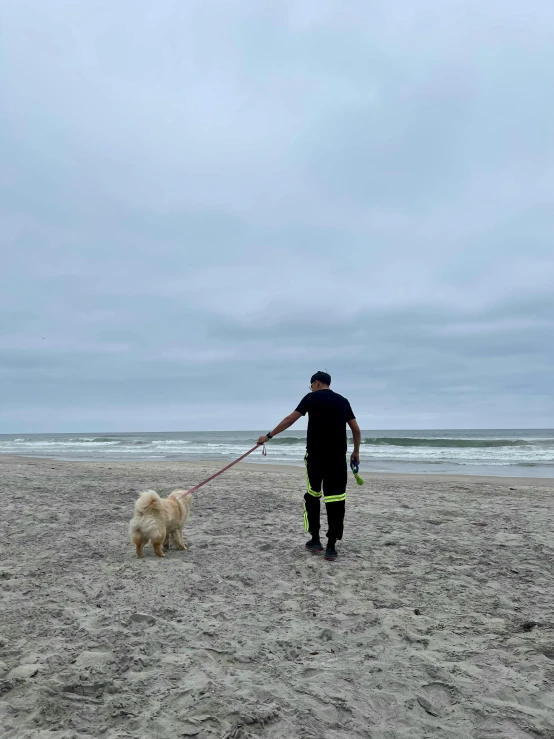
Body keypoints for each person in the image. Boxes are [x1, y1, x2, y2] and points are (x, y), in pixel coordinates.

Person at [258, 371, 361, 561]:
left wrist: (268, 436)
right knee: (336, 500)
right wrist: (355, 453)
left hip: (315, 458)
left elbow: (290, 419)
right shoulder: (343, 401)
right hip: (337, 459)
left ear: (316, 383)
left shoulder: (311, 398)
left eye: (311, 385)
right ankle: (331, 547)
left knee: (313, 496)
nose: (311, 388)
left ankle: (315, 540)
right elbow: (356, 429)